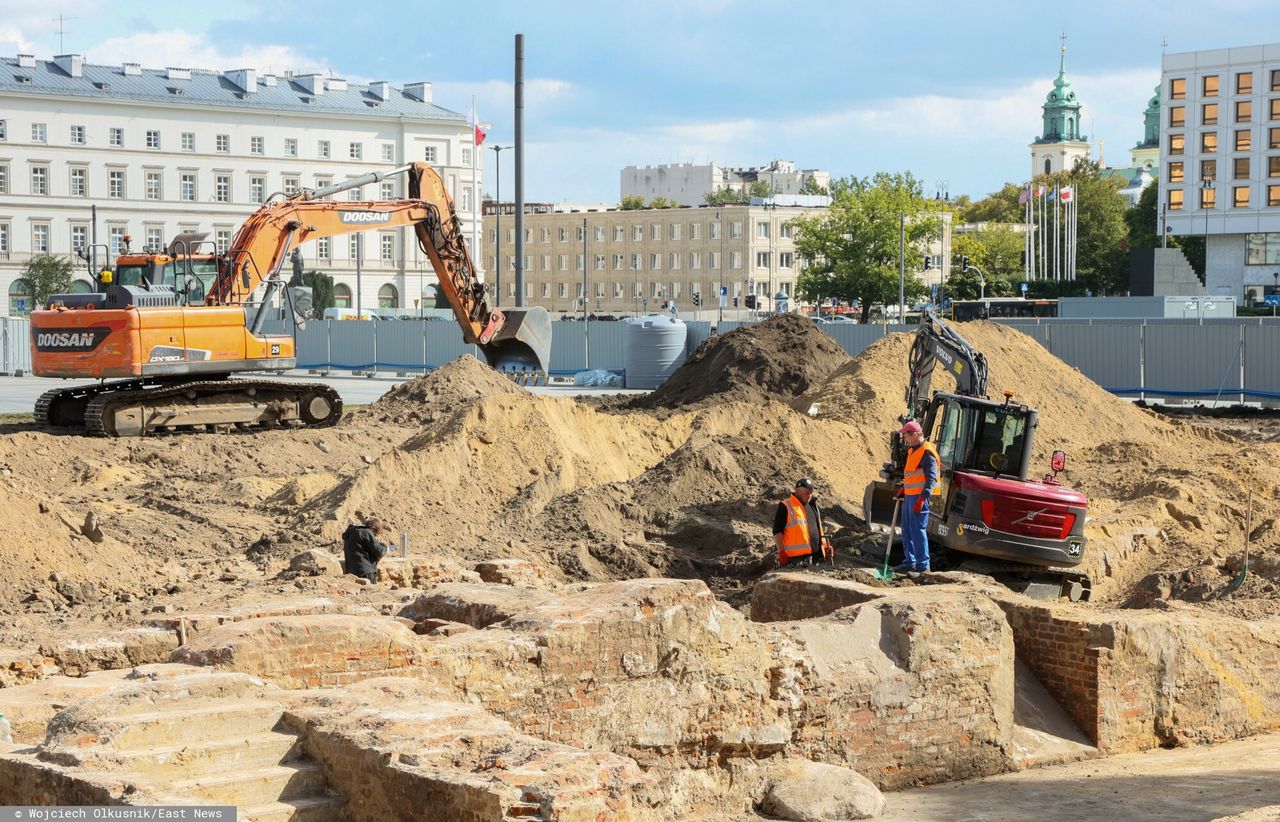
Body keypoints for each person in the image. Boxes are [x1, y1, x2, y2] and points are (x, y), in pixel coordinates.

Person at [896, 421, 939, 574]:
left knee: (917, 530)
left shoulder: (927, 452)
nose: (904, 438)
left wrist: (923, 498)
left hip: (919, 498)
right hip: (910, 496)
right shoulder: (912, 451)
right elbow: (912, 475)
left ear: (914, 435)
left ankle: (923, 566)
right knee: (907, 530)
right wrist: (904, 488)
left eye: (905, 435)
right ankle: (910, 562)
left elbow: (931, 478)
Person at [773, 478, 830, 567]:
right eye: (807, 492)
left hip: (816, 558)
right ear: (798, 491)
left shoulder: (813, 505)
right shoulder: (786, 506)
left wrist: (825, 547)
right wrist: (781, 552)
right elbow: (777, 531)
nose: (810, 495)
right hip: (795, 560)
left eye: (811, 492)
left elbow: (818, 529)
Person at [342, 516, 392, 583]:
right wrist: (385, 546)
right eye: (375, 535)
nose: (375, 537)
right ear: (374, 529)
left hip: (351, 572)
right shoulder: (367, 532)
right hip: (365, 573)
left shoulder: (351, 532)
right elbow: (379, 552)